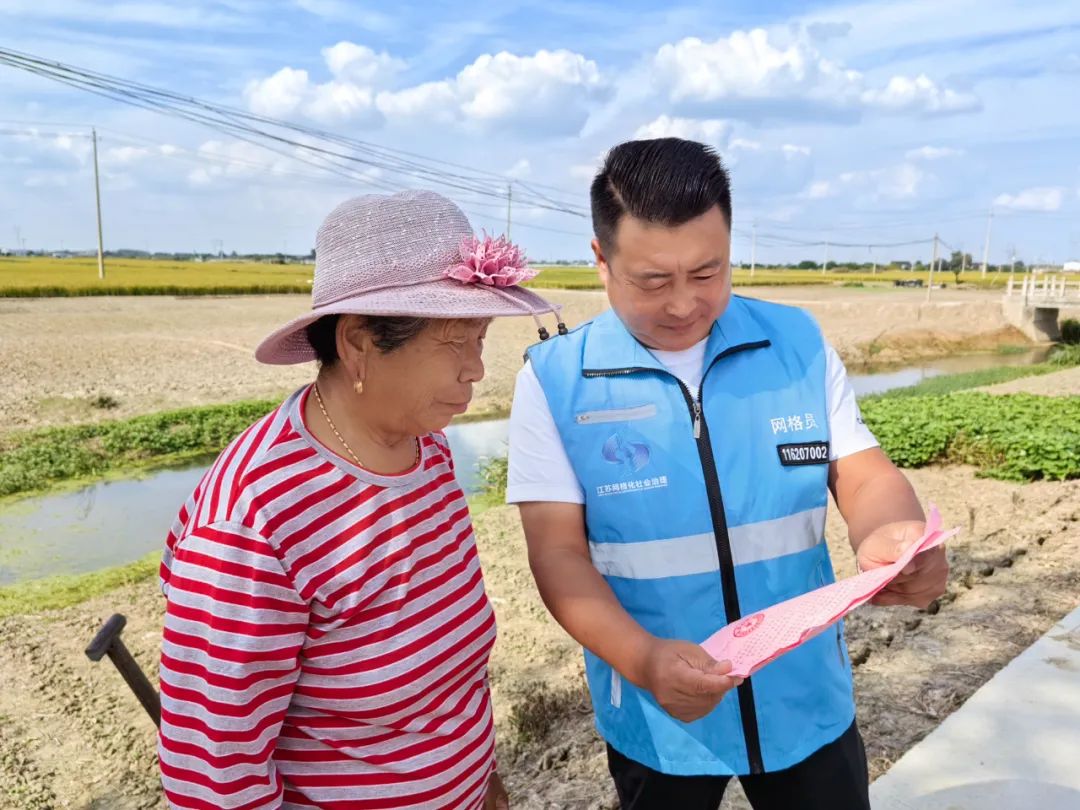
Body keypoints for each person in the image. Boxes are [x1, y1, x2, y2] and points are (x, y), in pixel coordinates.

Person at [505, 138, 949, 810]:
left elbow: (863, 475)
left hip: (804, 694)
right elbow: (557, 554)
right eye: (653, 280)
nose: (684, 304)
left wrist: (893, 535)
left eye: (707, 272)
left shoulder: (796, 343)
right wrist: (642, 659)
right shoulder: (556, 380)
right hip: (659, 708)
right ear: (601, 259)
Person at [157, 190, 556, 809]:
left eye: (480, 339)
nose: (476, 369)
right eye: (455, 342)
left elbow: (450, 675)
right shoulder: (254, 521)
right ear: (358, 343)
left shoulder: (428, 450)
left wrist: (482, 779)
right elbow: (214, 776)